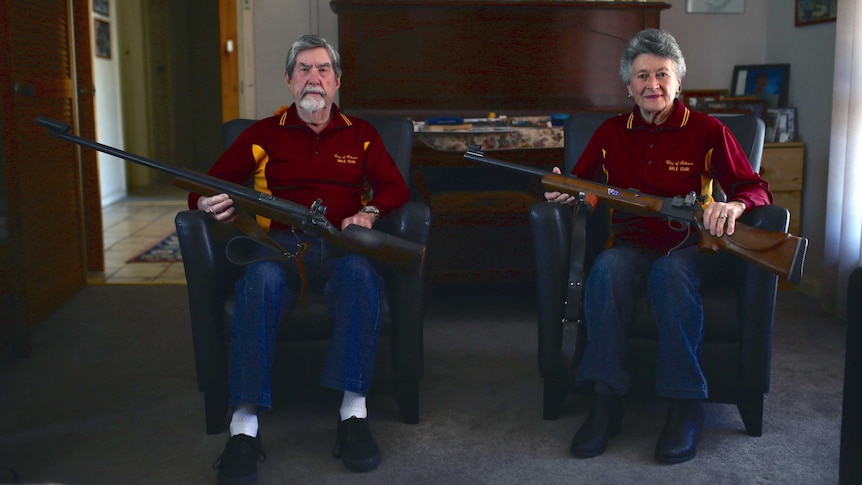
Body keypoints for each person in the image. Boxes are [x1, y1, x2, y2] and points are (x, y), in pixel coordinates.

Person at [188, 34, 410, 483]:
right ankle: (244, 428)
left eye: (323, 70)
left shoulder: (362, 135)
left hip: (342, 247)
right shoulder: (261, 135)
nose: (314, 78)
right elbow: (203, 187)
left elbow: (396, 188)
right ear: (289, 81)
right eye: (304, 70)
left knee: (362, 280)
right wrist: (207, 204)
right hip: (277, 247)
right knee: (258, 284)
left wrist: (368, 212)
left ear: (337, 81)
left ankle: (352, 415)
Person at [544, 29, 772, 464]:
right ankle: (604, 399)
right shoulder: (611, 131)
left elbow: (755, 186)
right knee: (607, 269)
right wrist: (568, 193)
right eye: (642, 76)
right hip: (630, 242)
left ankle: (684, 405)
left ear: (679, 82)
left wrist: (736, 205)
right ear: (628, 86)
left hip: (693, 248)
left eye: (663, 74)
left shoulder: (708, 129)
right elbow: (586, 186)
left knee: (671, 273)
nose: (653, 85)